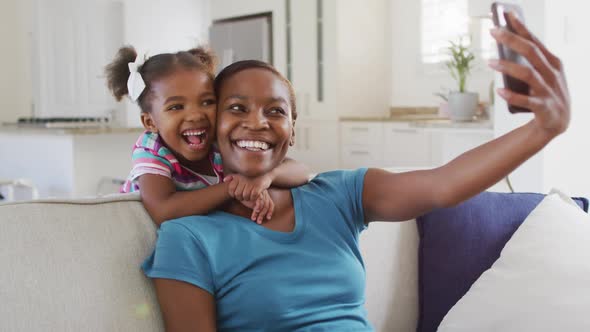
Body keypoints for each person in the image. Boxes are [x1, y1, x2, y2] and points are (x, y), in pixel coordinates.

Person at [143, 13, 570, 331]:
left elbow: (442, 185)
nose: (257, 122)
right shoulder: (189, 236)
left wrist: (542, 129)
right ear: (212, 127)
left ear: (292, 132)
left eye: (276, 111)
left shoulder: (337, 195)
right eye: (237, 108)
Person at [105, 46, 310, 225]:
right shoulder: (152, 149)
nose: (196, 115)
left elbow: (301, 171)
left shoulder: (217, 140)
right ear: (150, 122)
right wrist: (233, 188)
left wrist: (264, 179)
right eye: (176, 107)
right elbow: (163, 210)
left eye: (207, 102)